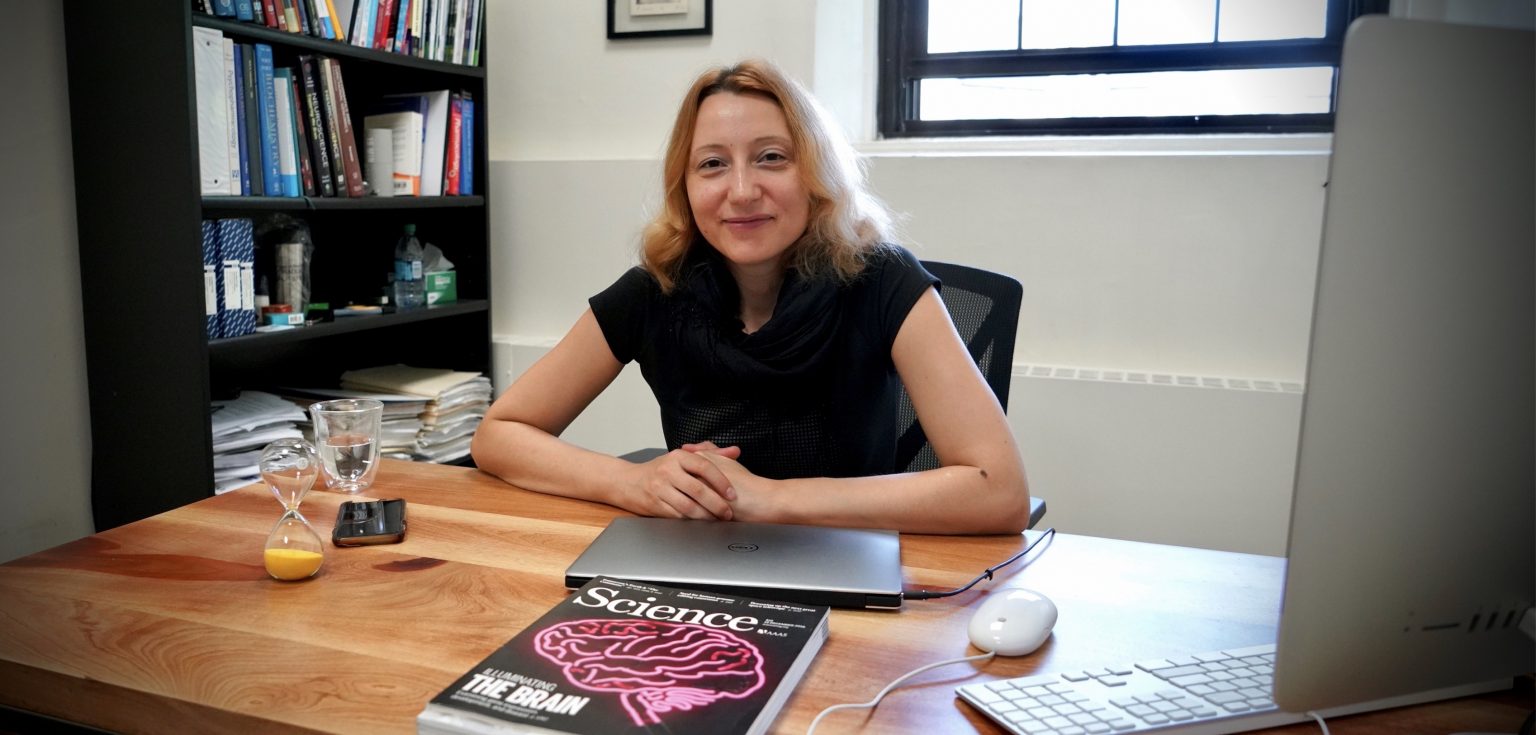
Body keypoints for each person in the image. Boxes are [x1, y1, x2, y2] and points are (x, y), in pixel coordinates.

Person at [471, 60, 1030, 534]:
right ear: (685, 189)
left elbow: (999, 491)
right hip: (697, 562)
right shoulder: (656, 289)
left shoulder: (882, 279)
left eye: (771, 157)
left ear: (814, 174)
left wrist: (771, 499)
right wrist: (632, 481)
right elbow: (499, 435)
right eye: (712, 164)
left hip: (846, 557)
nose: (741, 191)